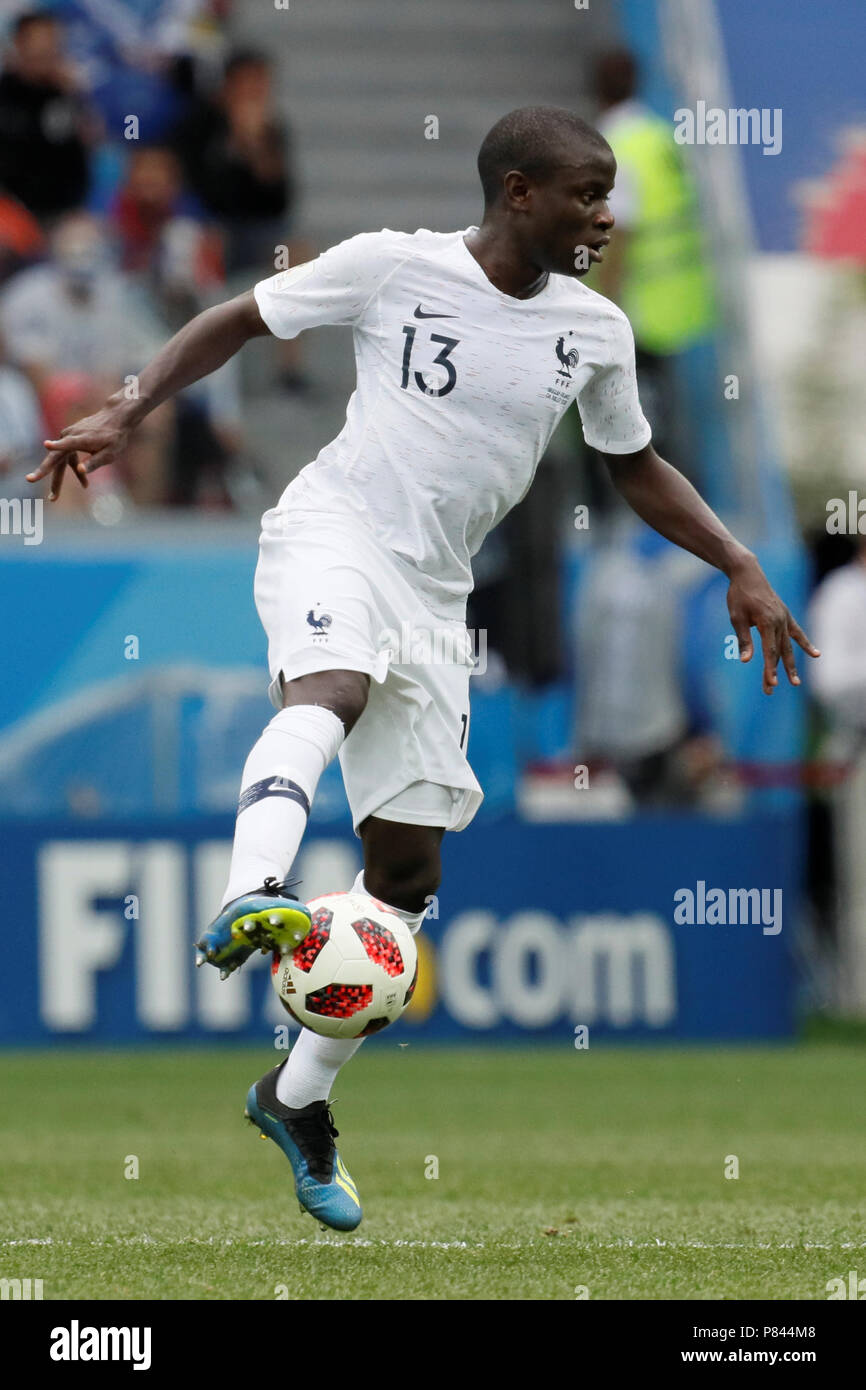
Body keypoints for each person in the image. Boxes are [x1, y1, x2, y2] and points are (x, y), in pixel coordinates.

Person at [27, 106, 818, 1232]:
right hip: (334, 531)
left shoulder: (592, 330)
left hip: (439, 597)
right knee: (329, 689)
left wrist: (737, 558)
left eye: (608, 195)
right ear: (515, 193)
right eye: (585, 193)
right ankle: (255, 887)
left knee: (403, 883)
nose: (604, 214)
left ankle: (291, 1097)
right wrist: (131, 402)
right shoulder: (391, 266)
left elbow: (631, 462)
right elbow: (236, 318)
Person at [0, 11, 93, 221]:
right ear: (18, 44)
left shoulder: (69, 96)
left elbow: (127, 128)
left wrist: (79, 98)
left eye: (53, 41)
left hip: (63, 213)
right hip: (8, 212)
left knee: (86, 247)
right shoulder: (5, 96)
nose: (47, 49)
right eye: (39, 41)